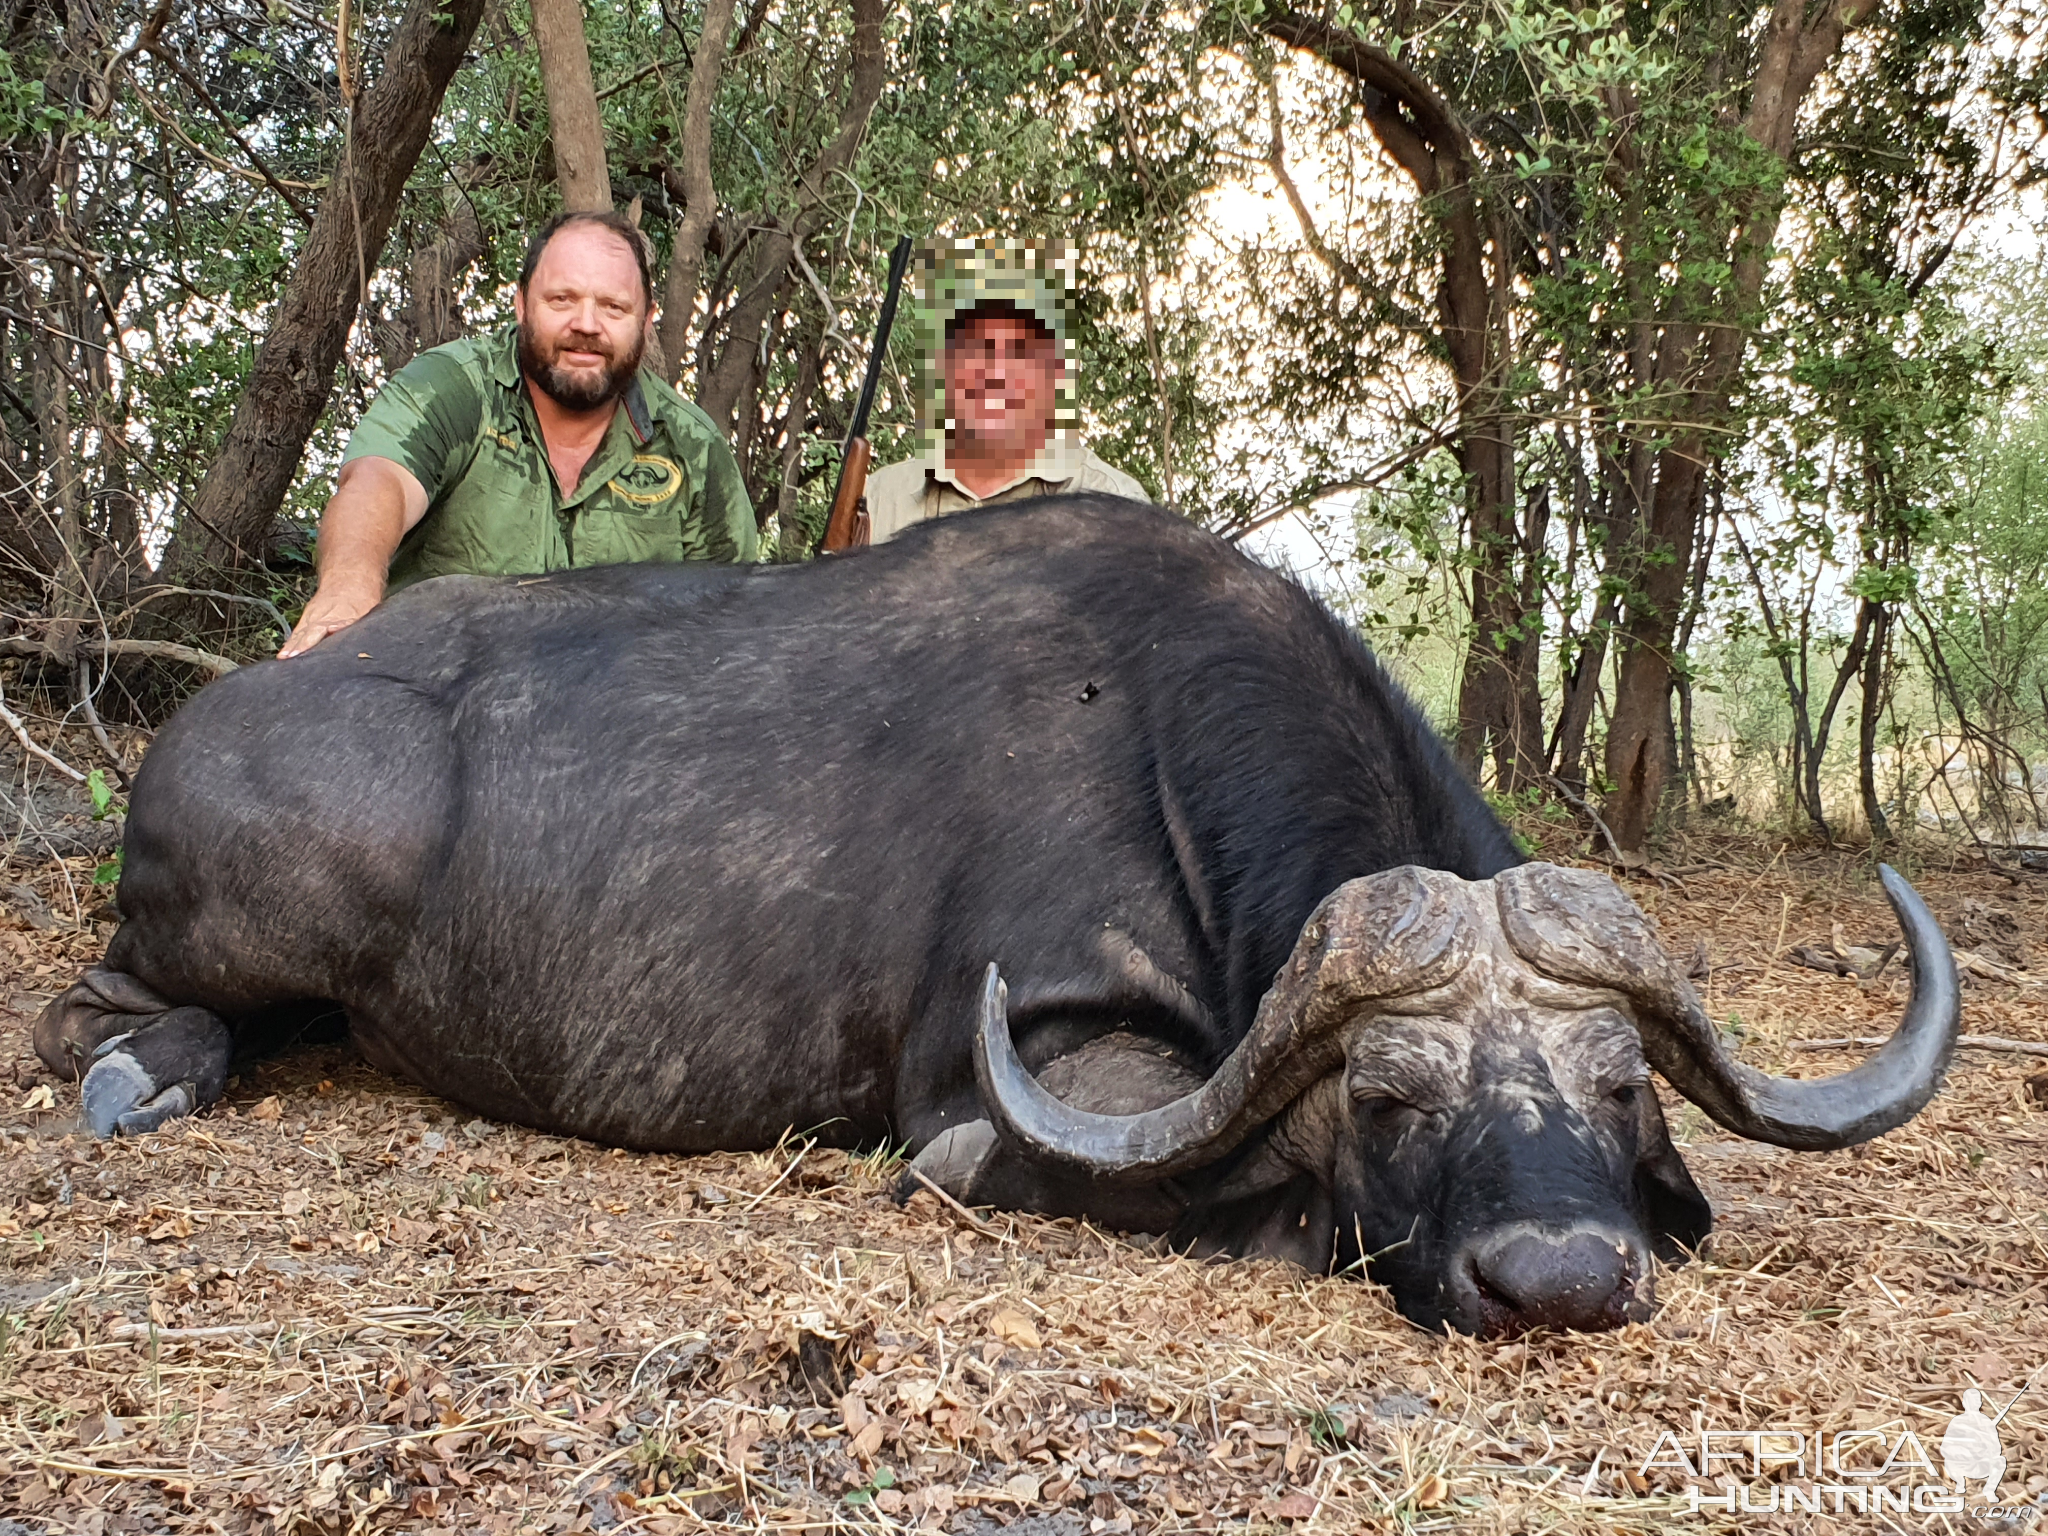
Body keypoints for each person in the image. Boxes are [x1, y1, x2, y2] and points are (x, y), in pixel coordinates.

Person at [280, 209, 756, 657]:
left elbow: (732, 614)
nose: (586, 325)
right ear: (522, 304)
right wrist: (347, 589)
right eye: (562, 300)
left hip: (619, 717)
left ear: (647, 320)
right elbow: (378, 483)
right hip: (438, 696)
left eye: (613, 307)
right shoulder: (458, 386)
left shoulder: (693, 447)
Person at [863, 237, 1147, 545]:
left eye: (1020, 350)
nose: (995, 372)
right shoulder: (876, 501)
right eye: (975, 347)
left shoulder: (1118, 509)